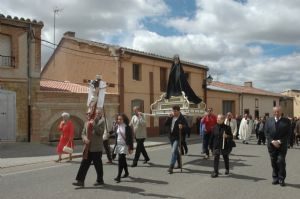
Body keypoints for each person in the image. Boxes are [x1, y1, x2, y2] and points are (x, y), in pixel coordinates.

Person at [72, 110, 105, 187]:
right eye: (87, 114)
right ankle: (80, 181)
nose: (88, 115)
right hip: (87, 148)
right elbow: (83, 133)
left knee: (98, 165)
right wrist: (84, 139)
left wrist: (94, 125)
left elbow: (100, 133)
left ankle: (100, 180)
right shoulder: (86, 123)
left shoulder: (101, 122)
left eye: (90, 114)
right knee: (84, 164)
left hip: (96, 148)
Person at [264, 106, 291, 186]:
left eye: (278, 111)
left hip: (282, 146)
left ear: (281, 111)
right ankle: (275, 178)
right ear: (273, 112)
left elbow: (288, 134)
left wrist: (279, 141)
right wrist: (272, 141)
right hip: (271, 145)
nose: (276, 113)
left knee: (280, 161)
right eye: (275, 112)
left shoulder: (286, 121)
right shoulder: (269, 121)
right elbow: (266, 132)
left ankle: (281, 179)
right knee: (273, 162)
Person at [165, 105, 189, 174]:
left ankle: (171, 167)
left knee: (173, 151)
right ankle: (179, 164)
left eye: (175, 111)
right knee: (175, 151)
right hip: (171, 137)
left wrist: (182, 126)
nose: (174, 112)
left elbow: (187, 128)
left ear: (179, 111)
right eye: (173, 111)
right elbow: (165, 124)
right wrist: (168, 117)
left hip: (178, 137)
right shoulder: (171, 117)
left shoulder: (182, 118)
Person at [113, 113, 133, 183]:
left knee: (120, 160)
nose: (119, 120)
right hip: (118, 145)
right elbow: (115, 135)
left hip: (124, 145)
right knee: (123, 160)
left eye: (120, 119)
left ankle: (118, 176)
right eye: (118, 119)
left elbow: (130, 138)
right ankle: (126, 172)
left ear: (124, 120)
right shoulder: (116, 126)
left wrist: (131, 148)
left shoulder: (127, 127)